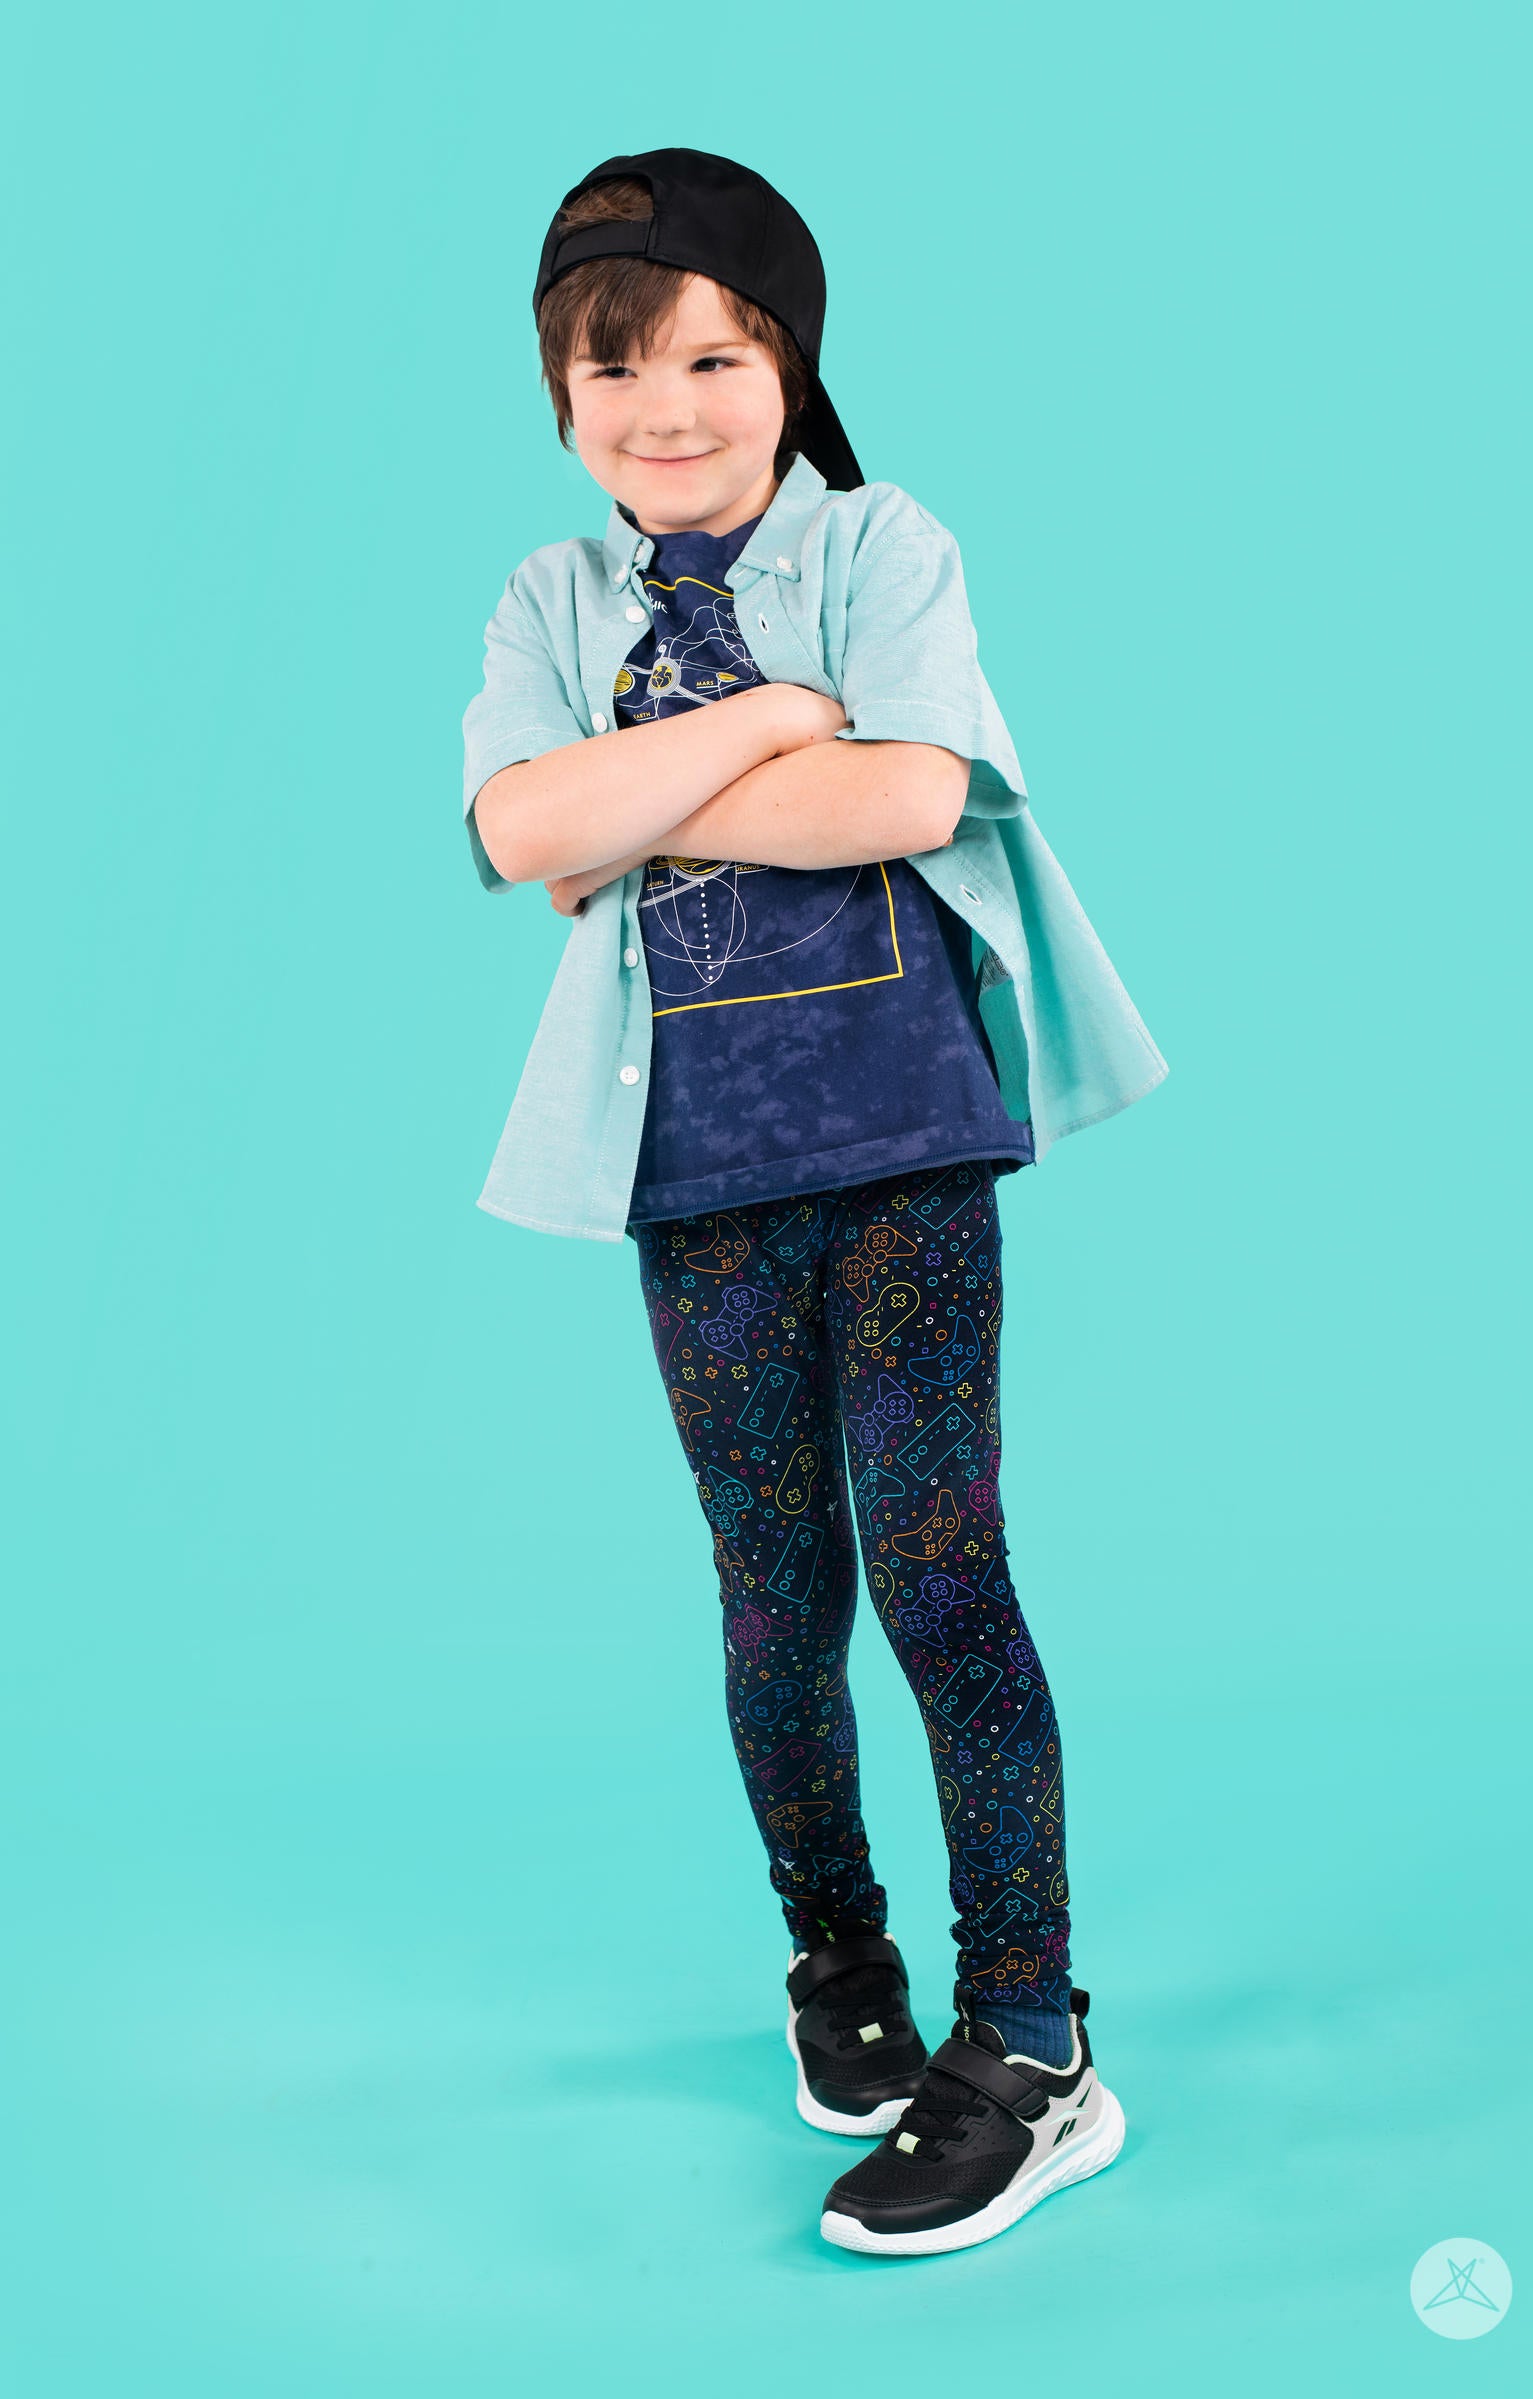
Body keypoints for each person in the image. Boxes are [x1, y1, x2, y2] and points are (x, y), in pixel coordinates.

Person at [461, 149, 1166, 2256]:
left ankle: (1029, 2039)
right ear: (561, 397)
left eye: (712, 358)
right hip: (693, 1178)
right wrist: (775, 718)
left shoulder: (881, 546)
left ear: (788, 364)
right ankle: (836, 1958)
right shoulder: (548, 607)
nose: (663, 408)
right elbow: (521, 832)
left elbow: (916, 791)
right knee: (772, 1595)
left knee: (941, 1575)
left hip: (903, 1157)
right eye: (612, 371)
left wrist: (648, 793)